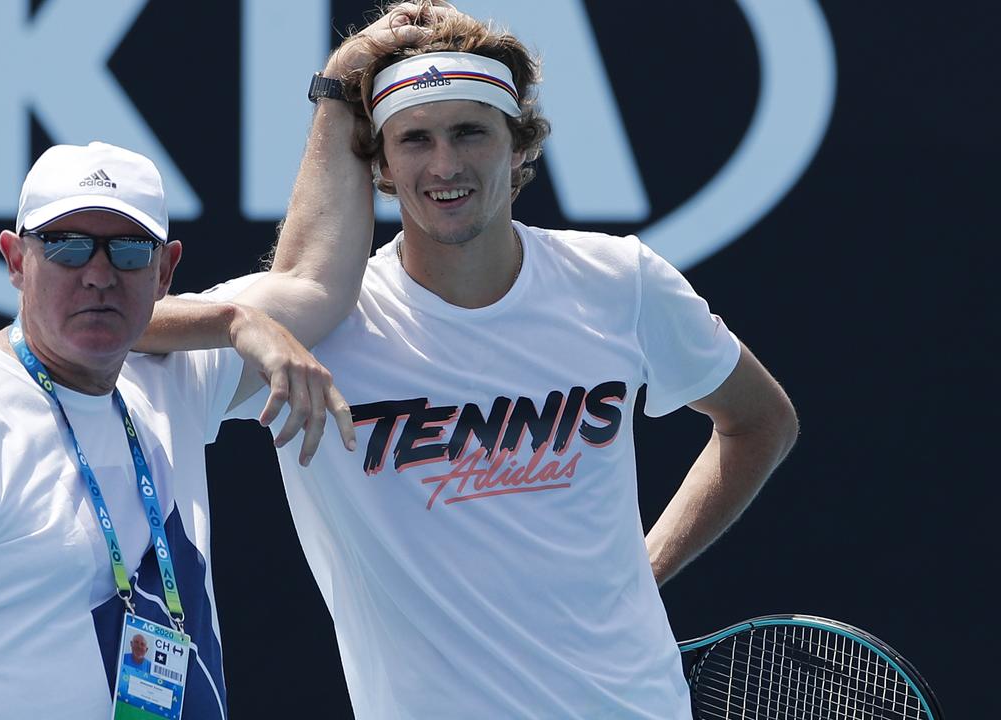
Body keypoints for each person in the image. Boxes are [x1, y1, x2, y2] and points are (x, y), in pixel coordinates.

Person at [143, 3, 800, 717]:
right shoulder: (312, 327)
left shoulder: (620, 281)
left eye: (471, 133)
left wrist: (646, 567)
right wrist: (238, 319)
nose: (445, 165)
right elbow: (103, 333)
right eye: (415, 139)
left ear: (519, 145)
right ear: (381, 165)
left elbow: (761, 421)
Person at [0, 141, 358, 720]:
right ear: (16, 260)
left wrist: (340, 87)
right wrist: (233, 319)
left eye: (128, 251)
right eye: (66, 248)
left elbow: (314, 280)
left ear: (165, 271)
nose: (98, 276)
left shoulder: (169, 382)